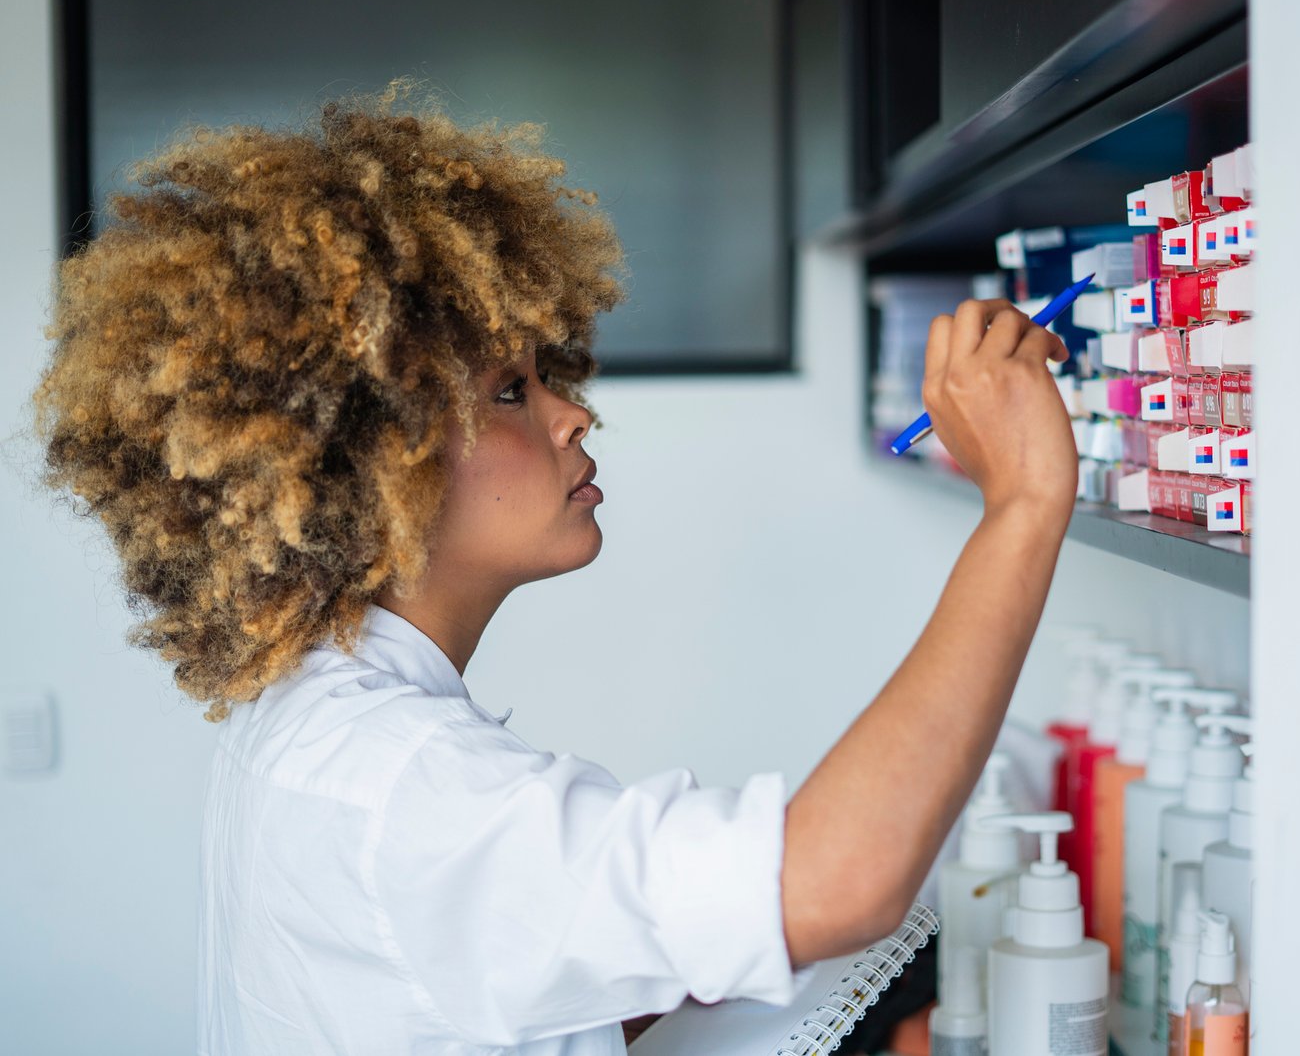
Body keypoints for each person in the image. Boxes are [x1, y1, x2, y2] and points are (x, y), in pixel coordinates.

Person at [29, 77, 1077, 1054]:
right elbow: (839, 882)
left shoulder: (318, 719)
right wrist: (1024, 503)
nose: (573, 414)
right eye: (509, 392)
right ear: (368, 455)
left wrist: (694, 940)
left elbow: (506, 962)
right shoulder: (397, 786)